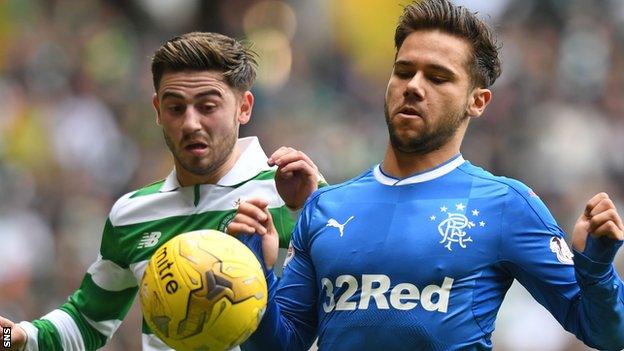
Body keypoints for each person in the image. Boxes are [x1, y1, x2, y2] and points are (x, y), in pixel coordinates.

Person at [228, 1, 624, 350]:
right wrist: (254, 273)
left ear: (478, 101)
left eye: (437, 77)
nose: (414, 86)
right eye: (404, 71)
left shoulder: (505, 205)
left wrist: (595, 267)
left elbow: (607, 334)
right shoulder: (325, 207)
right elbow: (282, 344)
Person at [0, 32, 323, 351]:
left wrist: (307, 210)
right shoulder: (131, 214)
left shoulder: (297, 194)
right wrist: (18, 337)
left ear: (244, 107)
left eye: (208, 106)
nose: (191, 123)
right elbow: (88, 321)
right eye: (175, 108)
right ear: (157, 110)